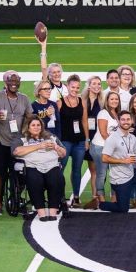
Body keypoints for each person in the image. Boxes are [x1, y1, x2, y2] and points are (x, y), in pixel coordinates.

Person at [0, 70, 29, 216]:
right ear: (5, 82)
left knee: (21, 172)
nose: (14, 84)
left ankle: (15, 196)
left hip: (17, 142)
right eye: (11, 81)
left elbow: (29, 117)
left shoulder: (24, 98)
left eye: (16, 81)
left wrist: (25, 131)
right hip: (0, 141)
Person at [12, 117, 68, 221]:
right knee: (35, 181)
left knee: (57, 179)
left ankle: (52, 212)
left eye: (38, 125)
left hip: (51, 165)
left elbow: (63, 153)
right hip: (32, 166)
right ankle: (41, 213)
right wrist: (39, 146)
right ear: (28, 127)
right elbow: (16, 152)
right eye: (33, 125)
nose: (36, 127)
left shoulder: (51, 137)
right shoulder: (21, 138)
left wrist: (56, 147)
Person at [57, 74, 88, 207]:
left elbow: (84, 121)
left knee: (77, 169)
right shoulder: (60, 102)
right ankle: (60, 195)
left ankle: (76, 196)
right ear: (67, 86)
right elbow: (56, 122)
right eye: (72, 87)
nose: (75, 89)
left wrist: (87, 139)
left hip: (79, 141)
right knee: (61, 168)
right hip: (65, 141)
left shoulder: (82, 101)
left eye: (77, 87)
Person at [89, 91, 121, 206]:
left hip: (111, 148)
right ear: (107, 101)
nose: (114, 101)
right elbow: (103, 133)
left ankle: (114, 197)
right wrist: (115, 147)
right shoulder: (103, 113)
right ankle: (101, 198)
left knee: (114, 172)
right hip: (100, 147)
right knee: (102, 173)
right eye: (111, 99)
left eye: (116, 99)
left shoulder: (116, 113)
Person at [81, 75, 103, 204]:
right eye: (94, 84)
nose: (97, 86)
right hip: (84, 137)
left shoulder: (102, 101)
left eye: (99, 84)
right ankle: (94, 197)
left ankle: (97, 196)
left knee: (99, 169)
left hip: (98, 138)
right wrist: (86, 139)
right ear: (88, 85)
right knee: (92, 168)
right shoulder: (81, 100)